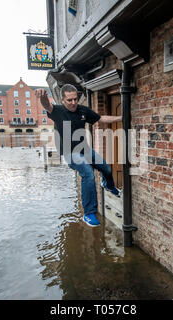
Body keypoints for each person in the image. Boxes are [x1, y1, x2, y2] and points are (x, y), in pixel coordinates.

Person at [35, 84, 122, 227]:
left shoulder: (82, 110)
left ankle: (108, 184)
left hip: (84, 149)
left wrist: (120, 117)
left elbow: (101, 118)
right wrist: (43, 97)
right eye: (69, 100)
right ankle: (89, 213)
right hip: (70, 153)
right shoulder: (57, 111)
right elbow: (47, 106)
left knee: (105, 167)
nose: (73, 103)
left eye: (75, 99)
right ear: (62, 100)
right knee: (88, 173)